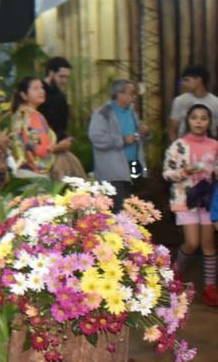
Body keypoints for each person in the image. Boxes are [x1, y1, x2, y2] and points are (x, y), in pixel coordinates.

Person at [162, 104, 218, 306]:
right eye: (195, 117)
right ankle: (176, 271)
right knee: (192, 243)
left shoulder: (214, 144)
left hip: (208, 200)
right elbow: (167, 173)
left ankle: (210, 288)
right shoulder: (179, 145)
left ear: (209, 122)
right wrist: (185, 172)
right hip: (185, 199)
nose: (199, 122)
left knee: (209, 244)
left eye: (204, 118)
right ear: (188, 121)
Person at [88, 79, 149, 209]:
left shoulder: (132, 113)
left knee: (133, 210)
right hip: (113, 171)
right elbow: (96, 138)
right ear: (119, 94)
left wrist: (144, 132)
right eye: (131, 93)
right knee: (118, 211)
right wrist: (122, 140)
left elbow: (137, 136)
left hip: (133, 166)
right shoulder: (103, 113)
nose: (134, 96)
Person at [10, 77, 72, 178]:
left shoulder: (19, 114)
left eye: (42, 88)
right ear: (24, 95)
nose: (41, 91)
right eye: (35, 88)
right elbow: (39, 149)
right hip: (35, 175)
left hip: (23, 172)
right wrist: (60, 147)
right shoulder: (32, 116)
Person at [168, 64, 218, 141]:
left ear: (199, 80)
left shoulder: (215, 103)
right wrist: (176, 147)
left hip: (209, 147)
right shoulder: (179, 101)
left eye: (186, 80)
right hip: (185, 146)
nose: (183, 84)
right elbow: (173, 130)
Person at [41, 57, 73, 145]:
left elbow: (63, 125)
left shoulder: (61, 96)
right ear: (51, 73)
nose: (64, 81)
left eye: (67, 77)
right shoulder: (38, 92)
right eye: (61, 76)